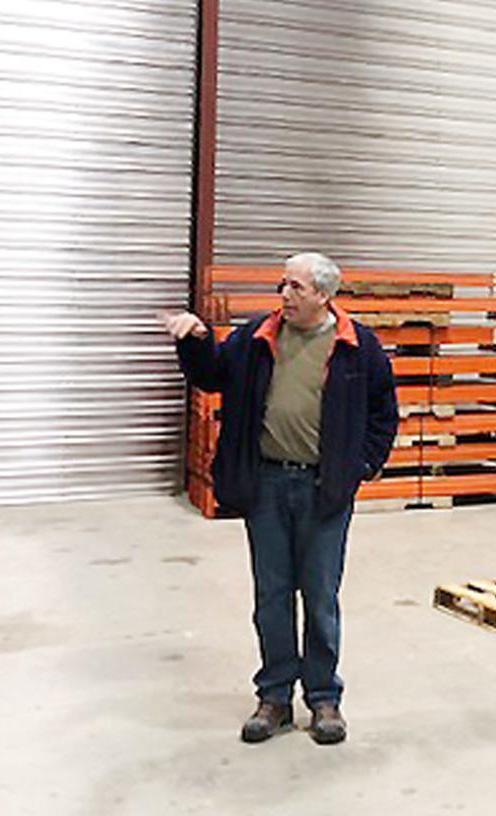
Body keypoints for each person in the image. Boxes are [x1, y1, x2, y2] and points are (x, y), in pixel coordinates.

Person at [162, 252, 398, 746]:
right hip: (267, 484)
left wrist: (362, 466)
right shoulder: (256, 338)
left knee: (319, 596)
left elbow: (384, 414)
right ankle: (274, 697)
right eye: (282, 285)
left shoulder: (360, 347)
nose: (284, 295)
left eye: (296, 287)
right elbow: (212, 375)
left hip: (324, 490)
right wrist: (196, 340)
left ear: (324, 296)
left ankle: (323, 697)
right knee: (271, 596)